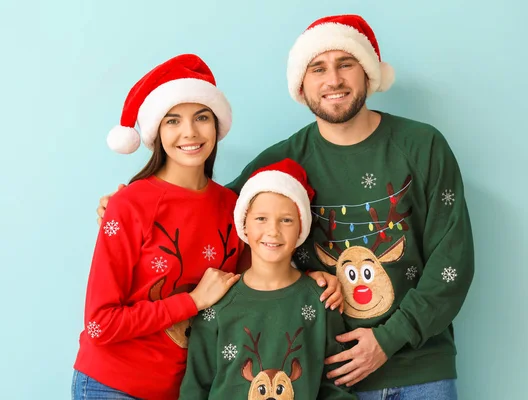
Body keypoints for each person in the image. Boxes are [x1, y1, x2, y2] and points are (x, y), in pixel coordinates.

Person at [98, 14, 475, 399]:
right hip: (318, 379)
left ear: (368, 73)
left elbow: (452, 263)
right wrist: (130, 203)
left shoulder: (422, 146)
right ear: (301, 83)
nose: (333, 80)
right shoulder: (282, 161)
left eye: (346, 64)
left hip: (419, 372)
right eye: (318, 68)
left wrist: (388, 339)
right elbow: (208, 210)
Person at [72, 54, 245, 400]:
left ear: (218, 125)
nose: (190, 132)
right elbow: (100, 323)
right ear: (156, 132)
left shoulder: (234, 207)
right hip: (112, 387)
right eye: (173, 121)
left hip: (188, 391)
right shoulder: (128, 206)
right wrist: (192, 302)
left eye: (202, 117)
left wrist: (314, 278)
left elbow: (252, 290)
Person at [179, 158, 356, 399]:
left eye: (286, 220)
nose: (273, 230)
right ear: (244, 224)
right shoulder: (217, 303)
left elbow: (335, 387)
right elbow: (195, 388)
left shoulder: (322, 300)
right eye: (261, 218)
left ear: (301, 228)